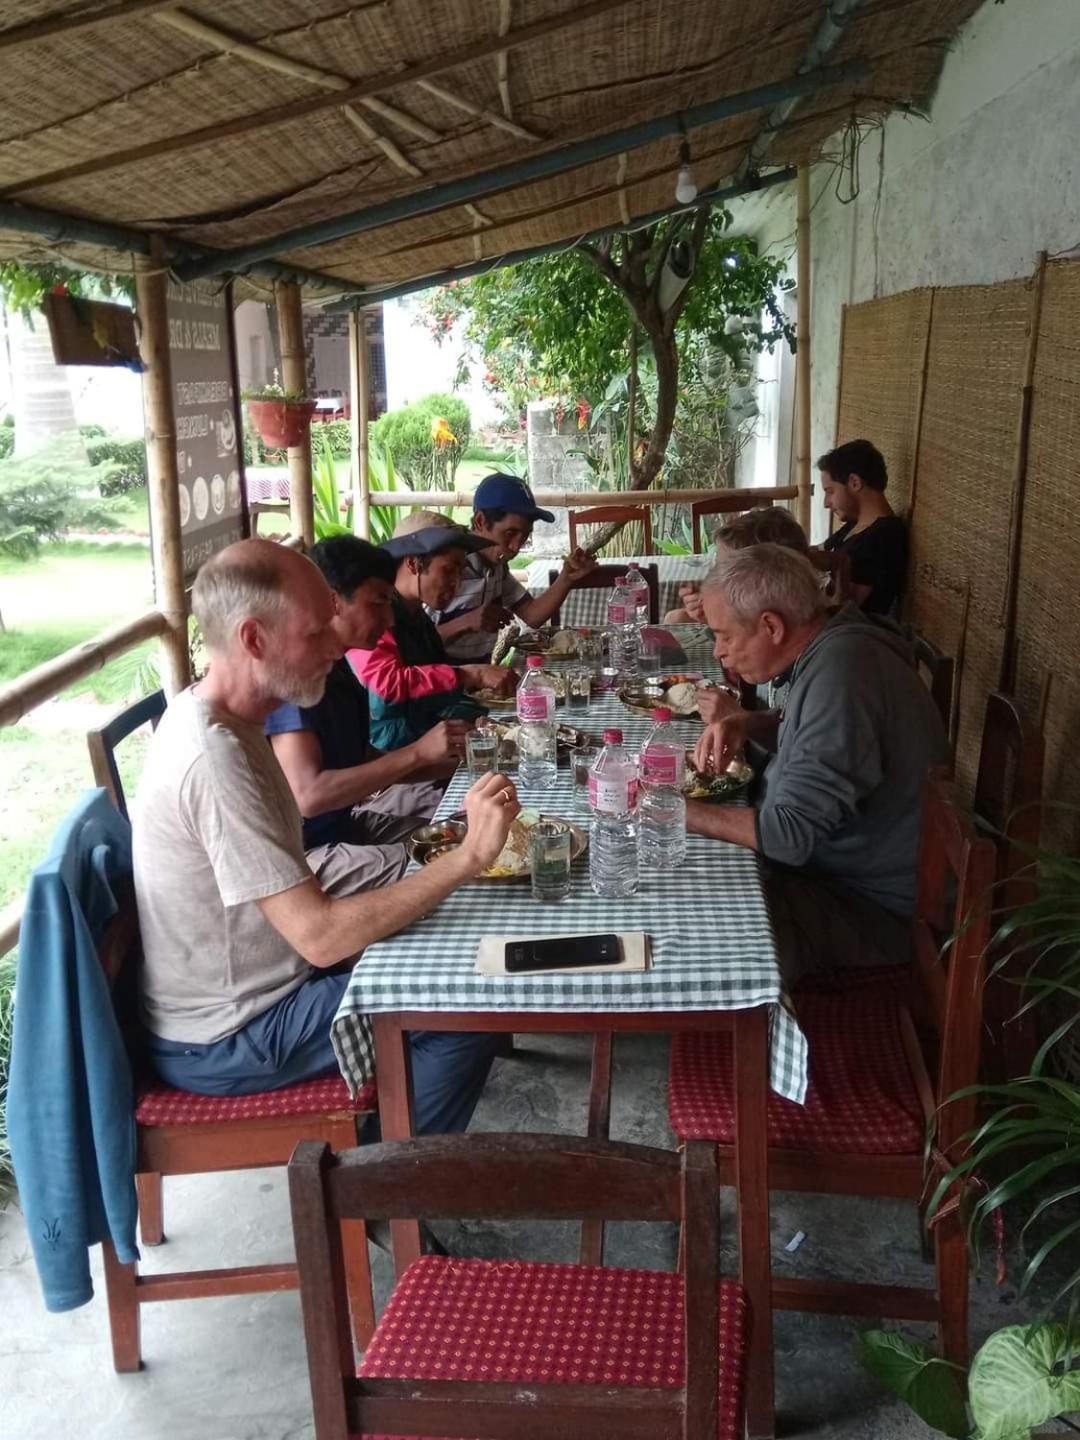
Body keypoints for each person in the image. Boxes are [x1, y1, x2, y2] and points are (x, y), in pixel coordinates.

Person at [133, 538, 521, 1135]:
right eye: (317, 633)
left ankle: (389, 1150)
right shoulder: (214, 759)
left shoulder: (230, 721)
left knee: (446, 935)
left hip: (272, 982)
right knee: (463, 1002)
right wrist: (468, 856)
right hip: (233, 1033)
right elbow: (319, 937)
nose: (336, 644)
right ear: (253, 639)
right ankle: (384, 1184)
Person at [687, 543, 949, 985]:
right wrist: (749, 723)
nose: (718, 652)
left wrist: (676, 812)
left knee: (704, 920)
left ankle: (739, 1035)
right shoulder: (837, 646)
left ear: (770, 625)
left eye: (724, 635)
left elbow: (790, 837)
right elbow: (814, 734)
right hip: (849, 873)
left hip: (879, 909)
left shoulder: (844, 676)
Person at [266, 534, 469, 893]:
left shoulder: (341, 669)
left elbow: (367, 762)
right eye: (378, 603)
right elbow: (309, 796)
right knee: (452, 869)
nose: (390, 620)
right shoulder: (296, 680)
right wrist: (418, 752)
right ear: (332, 601)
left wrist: (462, 763)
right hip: (303, 858)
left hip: (347, 824)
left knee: (469, 835)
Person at [349, 511, 517, 751]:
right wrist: (469, 674)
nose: (457, 583)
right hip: (392, 752)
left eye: (461, 572)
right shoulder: (377, 614)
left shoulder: (417, 613)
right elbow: (385, 688)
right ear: (413, 563)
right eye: (449, 570)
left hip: (425, 729)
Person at [431, 473, 597, 661]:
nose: (516, 547)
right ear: (480, 521)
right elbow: (411, 644)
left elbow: (532, 615)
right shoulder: (446, 568)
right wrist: (465, 622)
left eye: (524, 536)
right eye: (509, 533)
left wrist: (567, 578)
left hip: (479, 679)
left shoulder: (496, 567)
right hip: (440, 681)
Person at [664, 505, 809, 625]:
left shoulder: (775, 619)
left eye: (726, 571)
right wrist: (712, 610)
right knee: (675, 618)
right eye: (719, 567)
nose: (717, 578)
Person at [817, 439, 908, 615]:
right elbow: (819, 551)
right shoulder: (854, 525)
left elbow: (844, 611)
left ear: (854, 483)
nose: (826, 503)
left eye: (830, 491)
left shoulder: (885, 535)